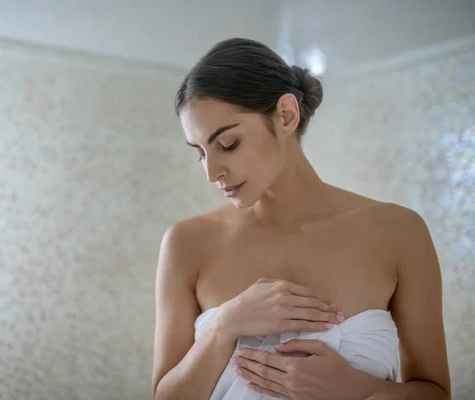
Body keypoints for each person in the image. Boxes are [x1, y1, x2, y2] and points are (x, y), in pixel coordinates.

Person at [151, 38, 450, 400]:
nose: (212, 172)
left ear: (286, 115)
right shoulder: (187, 243)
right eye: (200, 152)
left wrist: (359, 389)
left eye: (228, 144)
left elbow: (435, 393)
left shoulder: (399, 233)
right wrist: (224, 327)